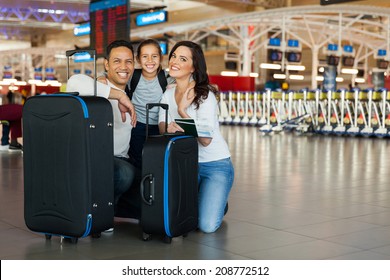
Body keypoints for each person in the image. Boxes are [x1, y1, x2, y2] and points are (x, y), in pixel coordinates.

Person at [158, 41, 234, 233]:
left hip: (215, 165)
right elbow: (161, 125)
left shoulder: (205, 95)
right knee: (179, 214)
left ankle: (218, 202)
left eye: (182, 59)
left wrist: (183, 112)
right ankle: (209, 199)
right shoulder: (168, 92)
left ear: (193, 67)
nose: (174, 61)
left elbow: (206, 141)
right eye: (174, 56)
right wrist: (168, 127)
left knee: (206, 226)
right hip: (186, 165)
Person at [66, 39, 137, 215]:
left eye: (128, 61)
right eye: (117, 61)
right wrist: (118, 95)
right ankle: (101, 213)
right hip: (98, 159)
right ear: (106, 64)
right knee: (125, 174)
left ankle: (112, 207)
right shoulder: (100, 87)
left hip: (123, 158)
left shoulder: (133, 90)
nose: (124, 66)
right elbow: (74, 81)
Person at [127, 38, 169, 169]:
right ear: (138, 59)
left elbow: (191, 79)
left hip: (160, 127)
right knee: (138, 160)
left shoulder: (167, 78)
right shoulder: (132, 76)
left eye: (154, 56)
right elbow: (110, 75)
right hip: (137, 126)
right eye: (145, 56)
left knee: (157, 161)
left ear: (161, 58)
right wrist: (101, 77)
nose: (150, 61)